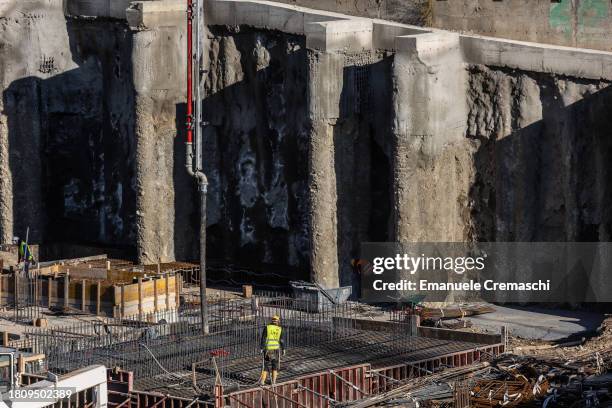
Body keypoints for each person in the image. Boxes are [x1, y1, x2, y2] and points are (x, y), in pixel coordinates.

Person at [259, 315, 285, 385]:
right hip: (276, 350)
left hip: (268, 350)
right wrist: (283, 349)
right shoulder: (280, 329)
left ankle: (262, 381)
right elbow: (281, 340)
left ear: (272, 321)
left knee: (266, 365)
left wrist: (262, 347)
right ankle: (273, 381)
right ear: (278, 321)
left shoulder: (267, 327)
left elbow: (263, 338)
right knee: (275, 365)